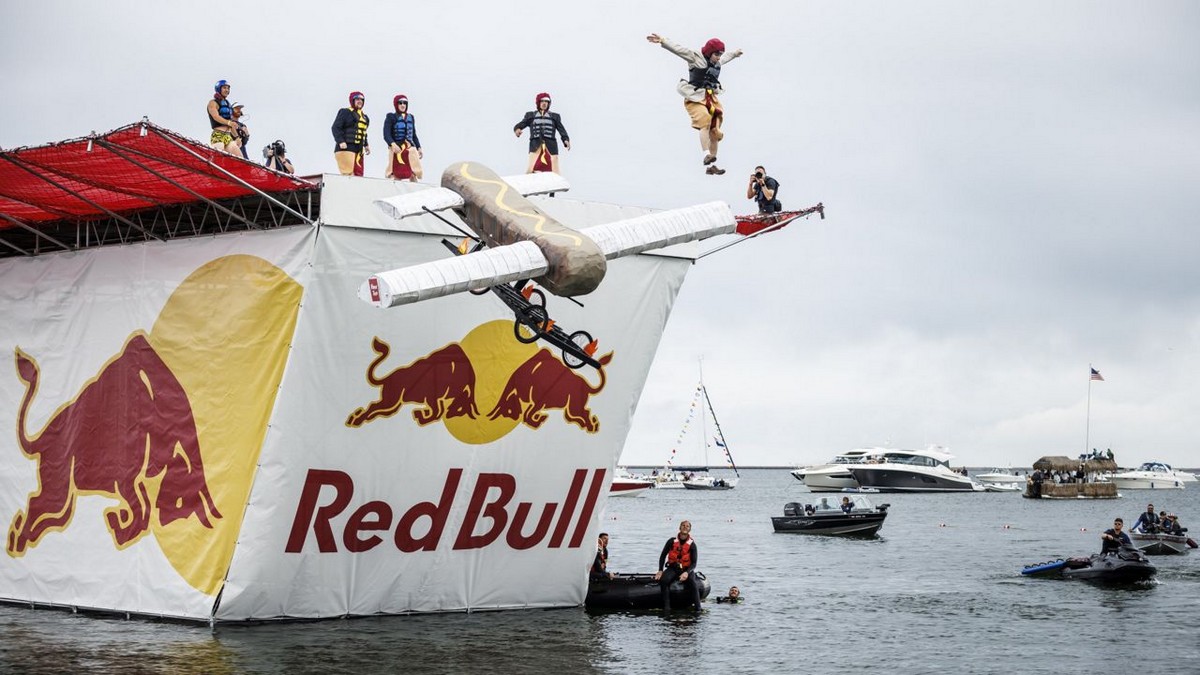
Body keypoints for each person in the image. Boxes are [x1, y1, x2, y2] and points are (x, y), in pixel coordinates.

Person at [645, 33, 743, 175]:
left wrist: (734, 53)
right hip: (694, 97)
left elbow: (726, 58)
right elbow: (679, 50)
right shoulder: (695, 57)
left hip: (710, 97)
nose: (719, 57)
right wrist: (663, 41)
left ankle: (712, 165)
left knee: (715, 129)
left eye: (720, 54)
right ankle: (706, 155)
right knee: (705, 121)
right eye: (716, 54)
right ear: (709, 53)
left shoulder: (717, 62)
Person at [513, 93, 570, 174]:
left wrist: (566, 140)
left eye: (546, 102)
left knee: (554, 162)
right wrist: (517, 129)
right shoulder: (531, 115)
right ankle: (528, 179)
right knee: (531, 164)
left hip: (551, 143)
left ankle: (557, 180)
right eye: (542, 101)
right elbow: (522, 124)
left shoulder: (555, 116)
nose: (544, 103)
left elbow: (561, 129)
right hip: (535, 143)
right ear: (538, 103)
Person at [654, 520, 701, 613]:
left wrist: (686, 573)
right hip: (673, 568)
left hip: (686, 570)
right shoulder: (671, 541)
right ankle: (667, 608)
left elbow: (694, 563)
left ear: (690, 529)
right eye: (683, 525)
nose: (685, 527)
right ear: (679, 528)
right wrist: (660, 570)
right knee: (663, 581)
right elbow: (663, 556)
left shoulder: (692, 545)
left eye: (687, 526)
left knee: (693, 583)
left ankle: (698, 609)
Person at [384, 94, 423, 181]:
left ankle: (415, 187)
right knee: (395, 171)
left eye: (405, 103)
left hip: (409, 147)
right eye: (400, 103)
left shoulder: (411, 117)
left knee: (413, 170)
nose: (403, 105)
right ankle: (393, 185)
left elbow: (414, 135)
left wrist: (419, 147)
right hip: (396, 147)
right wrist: (393, 144)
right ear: (396, 105)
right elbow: (386, 134)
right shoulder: (391, 117)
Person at [332, 91, 370, 176]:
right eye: (357, 99)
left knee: (358, 174)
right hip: (346, 147)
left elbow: (363, 132)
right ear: (352, 101)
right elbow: (335, 127)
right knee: (348, 174)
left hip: (359, 150)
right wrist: (341, 141)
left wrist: (366, 145)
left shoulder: (365, 117)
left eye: (362, 99)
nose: (360, 101)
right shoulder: (345, 112)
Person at [207, 79, 239, 154]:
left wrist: (237, 137)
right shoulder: (212, 103)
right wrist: (229, 123)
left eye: (228, 88)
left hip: (228, 136)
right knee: (218, 157)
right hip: (218, 135)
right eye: (224, 88)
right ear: (219, 89)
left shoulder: (228, 104)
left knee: (240, 158)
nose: (227, 90)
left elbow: (231, 123)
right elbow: (215, 116)